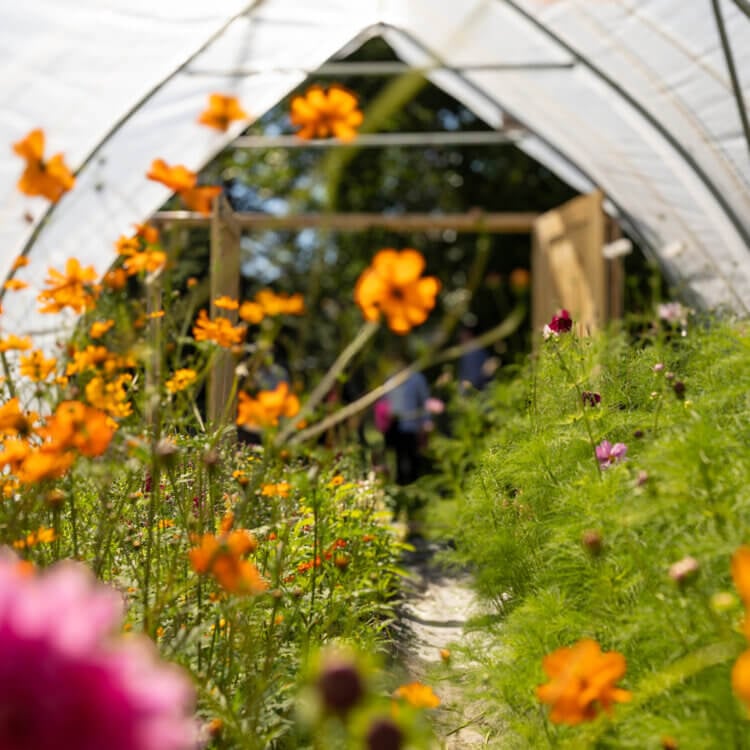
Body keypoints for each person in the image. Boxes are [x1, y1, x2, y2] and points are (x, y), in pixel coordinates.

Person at [383, 368, 431, 486]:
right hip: (394, 425)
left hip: (412, 423)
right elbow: (384, 401)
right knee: (398, 456)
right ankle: (401, 485)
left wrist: (426, 421)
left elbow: (424, 400)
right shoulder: (390, 379)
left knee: (413, 456)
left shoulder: (416, 378)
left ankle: (417, 485)